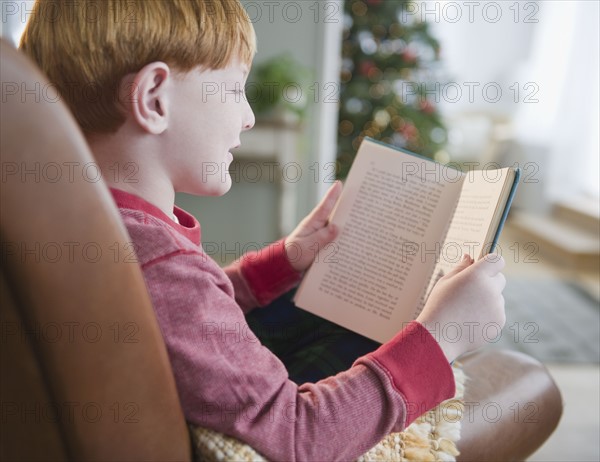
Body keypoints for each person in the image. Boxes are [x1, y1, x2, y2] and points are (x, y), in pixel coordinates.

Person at [19, 1, 506, 460]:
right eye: (234, 90)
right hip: (302, 426)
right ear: (154, 98)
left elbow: (174, 320)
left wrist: (285, 260)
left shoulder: (107, 230)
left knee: (320, 304)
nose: (249, 116)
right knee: (376, 330)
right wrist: (440, 336)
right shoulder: (162, 265)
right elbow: (298, 435)